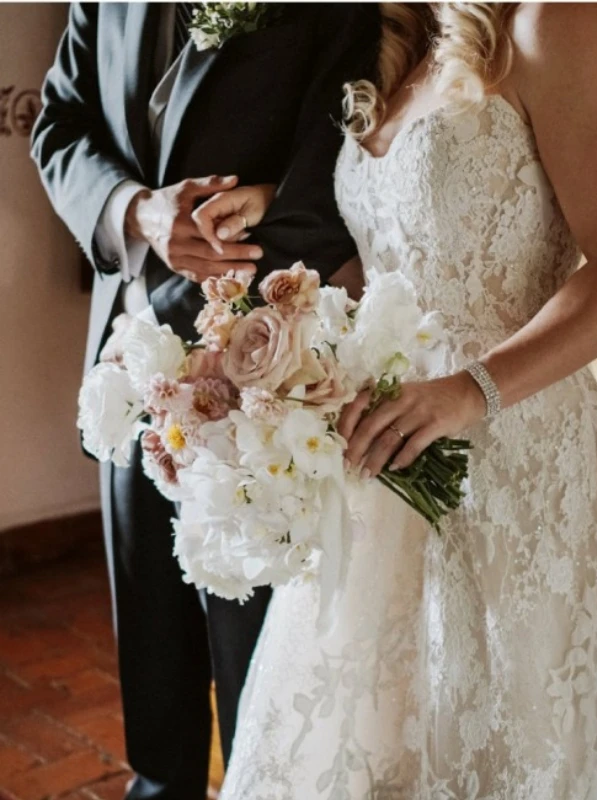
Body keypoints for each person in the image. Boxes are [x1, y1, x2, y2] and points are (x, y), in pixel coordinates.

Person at [219, 4, 597, 799]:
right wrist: (287, 361)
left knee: (513, 748)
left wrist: (473, 390)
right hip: (384, 461)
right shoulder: (398, 47)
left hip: (518, 464)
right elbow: (396, 262)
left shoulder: (553, 24)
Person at [31, 4, 379, 798]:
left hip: (269, 381)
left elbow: (357, 149)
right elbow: (59, 120)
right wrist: (135, 209)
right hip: (126, 362)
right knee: (152, 664)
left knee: (259, 659)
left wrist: (264, 213)